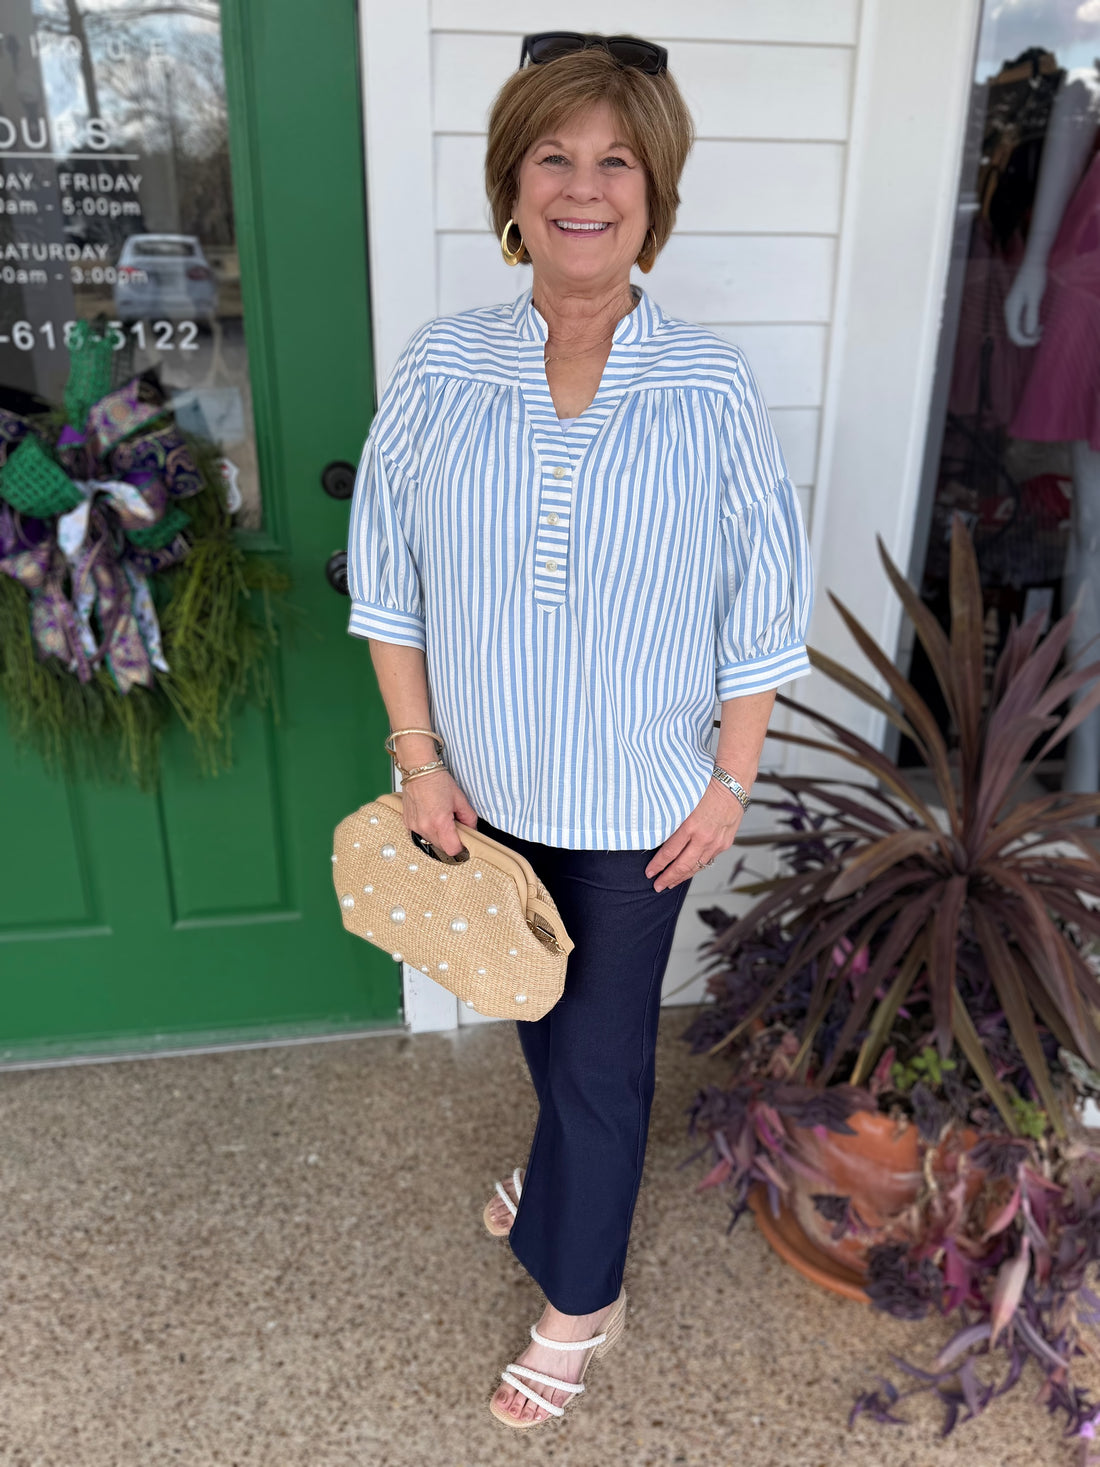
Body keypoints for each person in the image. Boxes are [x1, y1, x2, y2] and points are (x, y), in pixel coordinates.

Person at [346, 31, 814, 1429]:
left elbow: (761, 605)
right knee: (540, 1020)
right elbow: (389, 579)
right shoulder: (443, 369)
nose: (585, 185)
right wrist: (420, 761)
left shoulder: (710, 386)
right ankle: (558, 1176)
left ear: (654, 192)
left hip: (639, 806)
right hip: (482, 797)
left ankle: (578, 1307)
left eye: (616, 159)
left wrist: (733, 779)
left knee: (603, 1063)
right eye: (556, 154)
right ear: (514, 181)